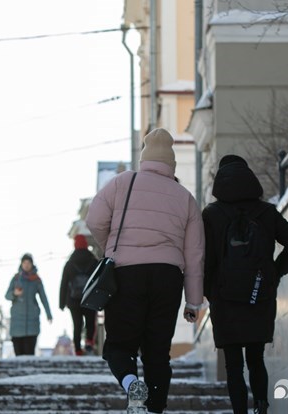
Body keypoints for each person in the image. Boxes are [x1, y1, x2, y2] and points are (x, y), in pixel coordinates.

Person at [86, 128, 205, 414]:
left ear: (144, 158)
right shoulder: (185, 197)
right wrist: (193, 301)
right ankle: (154, 409)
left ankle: (130, 384)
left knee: (119, 346)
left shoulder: (122, 182)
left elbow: (94, 220)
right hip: (167, 278)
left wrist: (113, 247)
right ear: (171, 164)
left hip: (126, 276)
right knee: (157, 354)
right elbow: (195, 253)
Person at [202, 155, 288, 414]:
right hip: (260, 295)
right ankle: (261, 407)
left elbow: (205, 259)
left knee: (233, 365)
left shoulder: (212, 215)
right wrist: (275, 273)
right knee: (256, 358)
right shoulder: (266, 212)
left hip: (225, 298)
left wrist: (210, 292)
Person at [5, 253, 53, 356]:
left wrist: (49, 314)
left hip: (32, 322)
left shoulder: (36, 280)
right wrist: (14, 293)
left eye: (28, 263)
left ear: (32, 264)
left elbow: (43, 298)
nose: (26, 265)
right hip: (17, 322)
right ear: (21, 264)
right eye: (24, 262)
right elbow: (7, 296)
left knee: (29, 353)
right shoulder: (16, 278)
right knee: (19, 353)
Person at [59, 234, 99, 356]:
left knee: (77, 324)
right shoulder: (94, 261)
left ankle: (77, 349)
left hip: (73, 299)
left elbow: (64, 284)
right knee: (90, 321)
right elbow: (99, 280)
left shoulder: (69, 263)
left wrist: (61, 303)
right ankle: (89, 342)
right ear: (86, 245)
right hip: (90, 297)